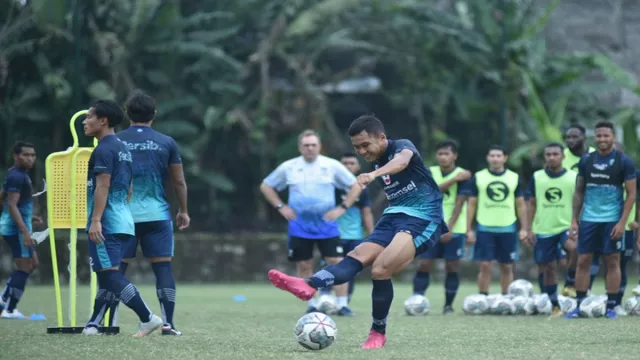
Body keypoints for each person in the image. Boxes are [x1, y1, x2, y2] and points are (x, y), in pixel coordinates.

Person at [267, 115, 447, 349]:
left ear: (382, 138)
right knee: (356, 256)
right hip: (393, 216)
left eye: (365, 145)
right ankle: (309, 284)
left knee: (381, 269)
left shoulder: (401, 146)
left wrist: (374, 174)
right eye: (356, 147)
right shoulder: (374, 160)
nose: (361, 151)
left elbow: (402, 162)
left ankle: (377, 333)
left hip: (422, 217)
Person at [107, 90, 190, 335]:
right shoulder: (166, 142)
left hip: (122, 217)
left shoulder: (115, 141)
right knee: (163, 269)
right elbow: (179, 182)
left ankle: (109, 323)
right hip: (158, 215)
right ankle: (169, 324)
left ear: (127, 113)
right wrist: (183, 210)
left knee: (116, 271)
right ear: (154, 114)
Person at [80, 99, 163, 336]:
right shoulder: (122, 148)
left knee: (110, 277)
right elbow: (128, 188)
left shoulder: (104, 148)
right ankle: (93, 324)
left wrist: (96, 220)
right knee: (108, 277)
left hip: (107, 222)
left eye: (89, 116)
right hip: (124, 220)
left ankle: (147, 317)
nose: (85, 121)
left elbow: (103, 185)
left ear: (103, 120)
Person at [260, 130, 361, 315]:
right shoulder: (289, 167)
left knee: (337, 262)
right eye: (306, 145)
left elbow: (355, 185)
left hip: (326, 224)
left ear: (319, 146)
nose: (310, 148)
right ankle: (312, 305)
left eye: (313, 144)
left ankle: (342, 305)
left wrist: (342, 208)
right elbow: (266, 186)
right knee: (305, 264)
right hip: (300, 226)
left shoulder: (331, 165)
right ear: (300, 147)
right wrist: (281, 206)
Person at [564, 121, 636, 319]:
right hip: (588, 220)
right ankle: (580, 305)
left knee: (612, 261)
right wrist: (574, 220)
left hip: (612, 220)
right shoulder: (586, 160)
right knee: (583, 260)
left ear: (613, 137)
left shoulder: (624, 161)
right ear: (594, 138)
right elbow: (579, 191)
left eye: (606, 136)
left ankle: (611, 306)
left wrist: (622, 222)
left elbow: (631, 195)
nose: (602, 139)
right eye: (599, 136)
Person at [411, 140, 470, 314]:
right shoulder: (429, 171)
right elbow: (431, 192)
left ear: (455, 156)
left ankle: (448, 305)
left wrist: (449, 227)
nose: (443, 157)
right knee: (423, 264)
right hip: (428, 227)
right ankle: (417, 300)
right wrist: (454, 180)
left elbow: (460, 203)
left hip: (454, 227)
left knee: (452, 266)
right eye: (440, 154)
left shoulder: (464, 175)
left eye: (447, 153)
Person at [466, 145, 528, 295]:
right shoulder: (479, 177)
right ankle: (483, 297)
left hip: (508, 228)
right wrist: (468, 229)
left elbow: (520, 204)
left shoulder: (513, 177)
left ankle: (506, 298)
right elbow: (472, 204)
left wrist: (524, 228)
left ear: (505, 158)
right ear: (487, 158)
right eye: (492, 156)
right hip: (484, 228)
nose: (495, 159)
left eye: (498, 156)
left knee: (507, 266)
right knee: (485, 265)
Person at [525, 143, 577, 316]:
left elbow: (580, 202)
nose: (552, 157)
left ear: (562, 156)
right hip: (544, 228)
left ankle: (570, 281)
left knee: (574, 249)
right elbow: (531, 203)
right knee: (548, 267)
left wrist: (576, 222)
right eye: (548, 154)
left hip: (566, 225)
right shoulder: (537, 176)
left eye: (555, 154)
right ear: (545, 157)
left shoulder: (573, 177)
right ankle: (554, 304)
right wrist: (528, 228)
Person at [318, 153, 375, 309]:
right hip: (332, 234)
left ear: (357, 167)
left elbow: (366, 212)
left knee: (350, 270)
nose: (348, 166)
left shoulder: (362, 189)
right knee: (329, 266)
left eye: (351, 163)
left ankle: (344, 304)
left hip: (355, 236)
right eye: (345, 163)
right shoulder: (331, 186)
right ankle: (325, 298)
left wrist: (372, 234)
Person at [0, 141, 41, 319]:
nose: (30, 158)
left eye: (33, 155)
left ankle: (4, 300)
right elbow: (12, 204)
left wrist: (29, 218)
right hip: (16, 230)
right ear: (17, 156)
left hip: (17, 226)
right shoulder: (17, 175)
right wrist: (25, 231)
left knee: (32, 264)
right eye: (26, 155)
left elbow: (3, 197)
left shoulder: (18, 174)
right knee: (26, 267)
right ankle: (9, 309)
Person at [561, 124, 595, 297]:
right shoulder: (561, 157)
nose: (571, 141)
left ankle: (579, 287)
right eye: (568, 137)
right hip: (566, 213)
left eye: (575, 137)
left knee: (586, 254)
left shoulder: (596, 155)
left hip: (593, 212)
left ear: (584, 137)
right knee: (573, 250)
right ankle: (569, 286)